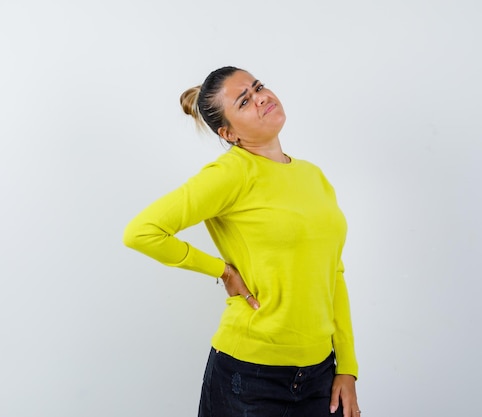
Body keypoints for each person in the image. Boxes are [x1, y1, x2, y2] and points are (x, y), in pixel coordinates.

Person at [123, 66, 361, 417]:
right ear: (229, 133)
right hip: (249, 377)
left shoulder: (314, 176)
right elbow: (142, 231)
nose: (262, 97)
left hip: (321, 375)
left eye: (258, 86)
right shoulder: (231, 174)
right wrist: (222, 270)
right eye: (244, 101)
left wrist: (347, 366)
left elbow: (334, 273)